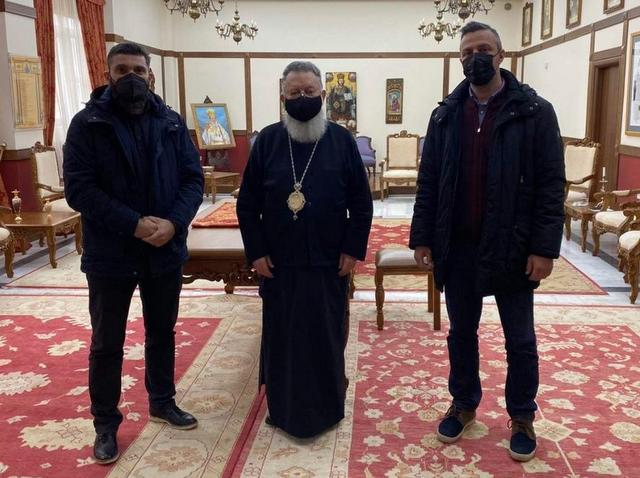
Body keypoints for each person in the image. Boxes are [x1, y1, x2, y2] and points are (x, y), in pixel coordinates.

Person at [409, 22, 565, 463]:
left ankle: (522, 415)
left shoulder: (534, 111)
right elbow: (429, 180)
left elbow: (551, 185)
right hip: (458, 246)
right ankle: (463, 404)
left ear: (501, 55)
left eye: (483, 49)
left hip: (513, 246)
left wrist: (544, 248)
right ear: (459, 59)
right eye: (467, 52)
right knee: (462, 333)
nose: (475, 57)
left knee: (520, 340)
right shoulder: (445, 115)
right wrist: (422, 237)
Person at [63, 42, 204, 465]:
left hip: (164, 249)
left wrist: (173, 223)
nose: (131, 77)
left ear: (150, 76)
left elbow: (192, 180)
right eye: (121, 69)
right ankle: (105, 424)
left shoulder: (172, 122)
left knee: (162, 332)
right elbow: (79, 190)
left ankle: (162, 401)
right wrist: (134, 223)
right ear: (108, 75)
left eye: (138, 70)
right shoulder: (87, 124)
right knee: (107, 341)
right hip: (111, 253)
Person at [237, 61, 373, 438]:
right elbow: (247, 205)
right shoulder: (267, 141)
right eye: (294, 93)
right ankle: (282, 410)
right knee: (282, 338)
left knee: (325, 335)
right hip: (278, 262)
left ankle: (327, 409)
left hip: (328, 260)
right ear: (283, 97)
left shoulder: (342, 141)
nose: (302, 98)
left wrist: (352, 249)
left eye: (309, 92)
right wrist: (256, 251)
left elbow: (362, 204)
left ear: (323, 95)